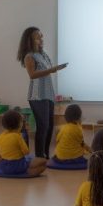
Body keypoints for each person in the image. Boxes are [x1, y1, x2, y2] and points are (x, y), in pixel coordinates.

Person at [17, 26, 67, 159]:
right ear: (30, 40)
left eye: (41, 36)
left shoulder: (43, 54)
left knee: (50, 126)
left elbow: (49, 70)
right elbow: (32, 75)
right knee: (43, 126)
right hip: (37, 95)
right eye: (38, 36)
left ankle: (46, 156)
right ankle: (39, 156)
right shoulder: (29, 56)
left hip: (48, 94)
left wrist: (55, 69)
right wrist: (52, 70)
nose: (41, 38)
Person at [0, 111, 47, 177]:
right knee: (43, 163)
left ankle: (25, 170)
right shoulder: (18, 136)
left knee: (32, 161)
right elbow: (26, 152)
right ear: (19, 124)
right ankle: (28, 172)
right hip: (18, 165)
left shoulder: (0, 136)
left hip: (3, 166)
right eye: (22, 121)